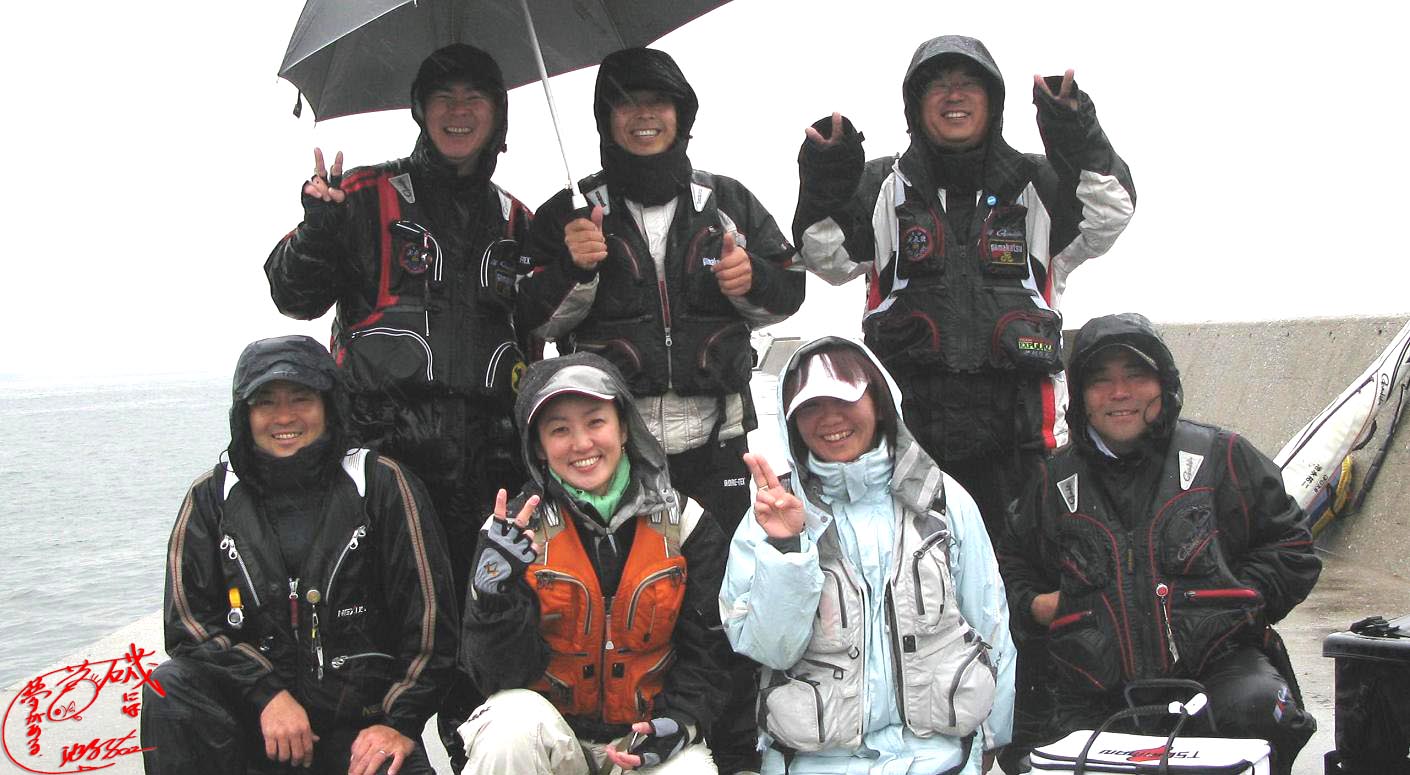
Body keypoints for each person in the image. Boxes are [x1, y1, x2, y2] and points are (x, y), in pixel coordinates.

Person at [516, 47, 805, 772]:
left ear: (683, 114)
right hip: (614, 459)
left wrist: (751, 276)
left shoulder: (728, 199)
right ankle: (612, 745)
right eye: (626, 103)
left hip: (718, 447)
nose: (644, 116)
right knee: (629, 607)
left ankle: (727, 751)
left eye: (658, 102)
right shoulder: (568, 212)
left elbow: (788, 291)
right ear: (604, 119)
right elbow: (531, 318)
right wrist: (571, 266)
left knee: (728, 607)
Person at [264, 43, 532, 766]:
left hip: (489, 479)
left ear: (499, 114)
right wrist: (316, 231)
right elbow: (292, 293)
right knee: (379, 663)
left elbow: (548, 331)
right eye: (443, 97)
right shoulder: (360, 196)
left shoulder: (521, 220)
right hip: (383, 476)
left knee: (482, 668)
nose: (458, 111)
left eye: (475, 97)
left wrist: (578, 255)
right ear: (420, 110)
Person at [793, 35, 1135, 537]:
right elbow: (826, 256)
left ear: (993, 101)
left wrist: (1074, 129)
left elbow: (1110, 212)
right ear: (915, 105)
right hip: (908, 448)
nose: (954, 95)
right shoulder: (882, 184)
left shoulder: (1040, 182)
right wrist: (826, 179)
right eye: (938, 85)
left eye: (969, 83)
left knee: (1021, 576)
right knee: (919, 577)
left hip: (1023, 451)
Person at [997, 313, 1321, 775]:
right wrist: (1033, 605)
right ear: (1081, 396)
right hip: (1094, 687)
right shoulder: (1051, 482)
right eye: (1100, 380)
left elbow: (1292, 547)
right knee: (1032, 749)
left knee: (1258, 707)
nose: (1120, 393)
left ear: (1163, 384)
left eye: (1136, 375)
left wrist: (1243, 597)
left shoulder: (1222, 456)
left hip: (1214, 672)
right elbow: (1009, 567)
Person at [140, 335, 457, 775]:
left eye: (301, 398)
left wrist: (398, 723)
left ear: (329, 404)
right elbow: (187, 625)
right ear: (244, 414)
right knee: (168, 686)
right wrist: (266, 693)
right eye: (266, 402)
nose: (284, 416)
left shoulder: (382, 485)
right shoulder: (210, 498)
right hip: (254, 725)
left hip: (360, 730)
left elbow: (432, 626)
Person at [720, 337, 1016, 775]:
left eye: (844, 399)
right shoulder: (769, 515)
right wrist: (786, 548)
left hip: (943, 758)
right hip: (813, 763)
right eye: (810, 407)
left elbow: (989, 621)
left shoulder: (944, 501)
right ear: (791, 421)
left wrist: (994, 737)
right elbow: (769, 650)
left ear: (879, 402)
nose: (829, 419)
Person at [459, 352, 730, 774]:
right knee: (508, 725)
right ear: (538, 447)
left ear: (624, 428)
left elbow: (710, 653)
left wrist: (682, 722)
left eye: (595, 422)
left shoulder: (687, 523)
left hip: (640, 740)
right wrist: (493, 597)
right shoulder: (510, 535)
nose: (582, 443)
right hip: (552, 741)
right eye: (559, 429)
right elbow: (494, 678)